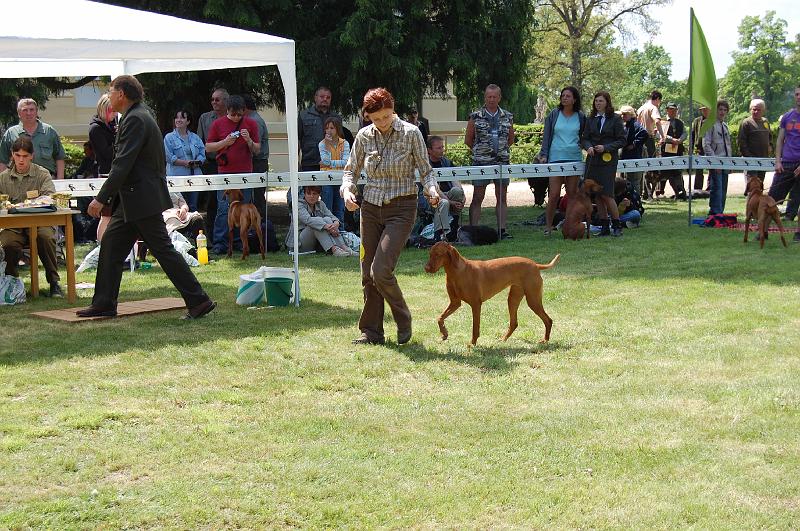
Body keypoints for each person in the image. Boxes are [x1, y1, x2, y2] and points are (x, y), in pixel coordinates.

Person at [78, 75, 215, 319]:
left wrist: (100, 199)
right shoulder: (136, 116)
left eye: (111, 91)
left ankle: (199, 300)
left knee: (163, 250)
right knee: (110, 246)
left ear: (121, 94)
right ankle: (104, 303)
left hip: (141, 200)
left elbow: (122, 164)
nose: (109, 96)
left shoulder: (136, 120)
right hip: (133, 201)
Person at [341, 87, 439, 345]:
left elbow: (426, 171)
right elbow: (350, 172)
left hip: (402, 208)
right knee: (367, 274)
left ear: (393, 109)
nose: (382, 123)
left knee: (381, 270)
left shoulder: (411, 133)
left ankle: (402, 316)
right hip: (371, 209)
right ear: (367, 117)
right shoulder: (363, 136)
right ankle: (371, 333)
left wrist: (431, 189)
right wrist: (347, 192)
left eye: (386, 116)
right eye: (376, 119)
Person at [0, 136, 63, 297]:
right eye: (18, 155)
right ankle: (12, 283)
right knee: (7, 243)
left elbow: (50, 197)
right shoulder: (3, 177)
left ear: (32, 156)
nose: (21, 160)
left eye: (25, 156)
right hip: (14, 226)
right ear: (12, 155)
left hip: (40, 223)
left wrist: (31, 203)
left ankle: (54, 282)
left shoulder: (42, 174)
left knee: (46, 237)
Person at [205, 95, 260, 255]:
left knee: (243, 208)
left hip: (245, 174)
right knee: (223, 209)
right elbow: (208, 147)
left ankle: (238, 241)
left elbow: (257, 149)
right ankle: (220, 243)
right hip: (225, 174)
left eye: (239, 115)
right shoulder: (218, 124)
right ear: (227, 110)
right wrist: (224, 143)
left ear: (244, 111)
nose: (236, 118)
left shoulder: (251, 124)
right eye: (233, 114)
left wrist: (249, 140)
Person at [465, 84, 515, 239]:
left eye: (494, 97)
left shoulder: (508, 116)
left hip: (501, 162)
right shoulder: (475, 116)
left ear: (499, 98)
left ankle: (502, 230)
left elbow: (511, 139)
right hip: (481, 163)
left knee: (502, 196)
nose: (491, 99)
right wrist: (482, 151)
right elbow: (468, 140)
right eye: (489, 97)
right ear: (485, 97)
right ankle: (473, 230)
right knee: (478, 197)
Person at [537, 86, 586, 236]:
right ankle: (548, 227)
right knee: (554, 194)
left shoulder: (581, 116)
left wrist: (585, 145)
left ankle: (569, 225)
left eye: (568, 96)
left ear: (574, 99)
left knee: (572, 193)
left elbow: (585, 135)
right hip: (555, 157)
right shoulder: (554, 114)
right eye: (563, 96)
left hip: (574, 157)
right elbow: (547, 136)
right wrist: (544, 154)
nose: (564, 98)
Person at [581, 91, 626, 236]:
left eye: (600, 101)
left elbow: (622, 140)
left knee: (607, 194)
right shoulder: (591, 119)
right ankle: (604, 226)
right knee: (597, 194)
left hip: (608, 161)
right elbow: (584, 137)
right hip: (593, 161)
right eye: (596, 101)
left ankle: (617, 225)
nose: (598, 103)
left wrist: (605, 147)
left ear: (607, 102)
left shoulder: (616, 119)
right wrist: (588, 146)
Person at [299, 87, 343, 224]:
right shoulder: (303, 115)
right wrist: (296, 164)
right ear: (315, 97)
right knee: (309, 199)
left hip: (331, 166)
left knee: (332, 199)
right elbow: (297, 140)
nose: (325, 99)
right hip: (309, 163)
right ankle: (315, 230)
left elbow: (341, 142)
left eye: (328, 97)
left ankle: (337, 231)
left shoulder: (336, 118)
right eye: (322, 96)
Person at [0, 98, 65, 179]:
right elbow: (3, 161)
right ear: (19, 113)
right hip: (18, 182)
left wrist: (60, 181)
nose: (29, 113)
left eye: (31, 109)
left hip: (46, 181)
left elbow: (59, 158)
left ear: (36, 112)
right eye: (25, 110)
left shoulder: (49, 131)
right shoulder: (11, 133)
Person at [196, 88, 229, 244]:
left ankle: (230, 238)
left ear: (226, 101)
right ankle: (210, 238)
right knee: (212, 203)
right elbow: (200, 142)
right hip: (210, 164)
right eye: (212, 99)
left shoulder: (232, 117)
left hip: (230, 165)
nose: (214, 102)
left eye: (217, 99)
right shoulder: (205, 118)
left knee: (230, 201)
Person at [285, 185, 355, 256]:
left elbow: (331, 216)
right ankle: (334, 249)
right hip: (299, 244)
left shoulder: (320, 204)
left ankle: (344, 247)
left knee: (327, 219)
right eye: (308, 193)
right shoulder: (299, 205)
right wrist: (326, 226)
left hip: (315, 242)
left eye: (314, 194)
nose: (311, 196)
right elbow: (308, 220)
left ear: (319, 194)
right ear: (305, 194)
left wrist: (335, 224)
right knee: (315, 223)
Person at [419, 135, 465, 241]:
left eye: (443, 147)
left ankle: (454, 227)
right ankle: (439, 236)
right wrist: (450, 201)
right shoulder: (424, 165)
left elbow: (455, 180)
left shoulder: (447, 162)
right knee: (443, 203)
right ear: (429, 150)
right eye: (438, 148)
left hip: (446, 194)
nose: (442, 150)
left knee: (457, 191)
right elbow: (433, 189)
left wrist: (462, 195)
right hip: (429, 196)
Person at [769, 85, 800, 239]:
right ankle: (763, 232)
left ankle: (798, 235)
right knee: (771, 199)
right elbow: (780, 141)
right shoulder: (787, 117)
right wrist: (777, 161)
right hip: (786, 164)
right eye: (797, 94)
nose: (799, 97)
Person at [89, 93, 119, 242]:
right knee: (106, 214)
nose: (114, 115)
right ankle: (101, 246)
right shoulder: (95, 129)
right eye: (112, 111)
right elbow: (107, 153)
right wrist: (119, 140)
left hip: (117, 172)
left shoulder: (113, 125)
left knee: (117, 214)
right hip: (105, 174)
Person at [163, 109, 205, 211]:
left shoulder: (195, 137)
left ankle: (194, 227)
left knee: (193, 207)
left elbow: (202, 153)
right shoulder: (169, 138)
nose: (178, 120)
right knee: (178, 207)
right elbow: (168, 157)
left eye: (182, 117)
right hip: (176, 178)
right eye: (176, 117)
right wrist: (184, 163)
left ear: (188, 121)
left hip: (194, 178)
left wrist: (197, 162)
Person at [702, 100, 732, 215]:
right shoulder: (709, 124)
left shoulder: (725, 126)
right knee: (717, 189)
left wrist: (730, 163)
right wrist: (715, 162)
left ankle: (721, 212)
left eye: (725, 110)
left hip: (726, 163)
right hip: (716, 162)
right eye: (720, 109)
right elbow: (706, 145)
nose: (722, 112)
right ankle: (715, 212)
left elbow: (728, 146)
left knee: (723, 189)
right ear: (715, 110)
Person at [318, 116, 349, 223]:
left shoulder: (345, 143)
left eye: (332, 128)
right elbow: (325, 161)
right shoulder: (322, 144)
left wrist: (330, 163)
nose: (329, 131)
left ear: (337, 129)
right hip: (326, 179)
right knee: (327, 208)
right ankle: (328, 232)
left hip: (341, 179)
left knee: (339, 208)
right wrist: (327, 145)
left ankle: (340, 232)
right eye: (327, 128)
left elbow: (346, 162)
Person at [243, 95, 269, 221]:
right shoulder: (252, 119)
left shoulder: (254, 121)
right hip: (256, 162)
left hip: (258, 162)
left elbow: (255, 145)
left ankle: (261, 224)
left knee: (257, 196)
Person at [738, 98, 772, 189]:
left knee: (760, 186)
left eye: (758, 109)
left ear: (763, 111)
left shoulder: (766, 122)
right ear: (750, 109)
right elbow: (742, 142)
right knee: (752, 188)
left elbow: (770, 137)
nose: (756, 111)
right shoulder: (746, 123)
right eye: (754, 109)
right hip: (751, 162)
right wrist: (749, 158)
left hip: (763, 160)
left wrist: (770, 147)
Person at [657, 102, 688, 200]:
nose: (673, 111)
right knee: (663, 171)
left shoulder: (680, 122)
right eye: (671, 109)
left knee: (677, 172)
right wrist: (671, 139)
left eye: (675, 110)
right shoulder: (662, 122)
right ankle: (660, 191)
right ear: (667, 110)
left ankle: (680, 191)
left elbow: (684, 133)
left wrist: (679, 140)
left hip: (678, 150)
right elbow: (659, 134)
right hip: (665, 151)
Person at [619, 104, 648, 198]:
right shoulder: (625, 125)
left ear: (631, 114)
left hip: (635, 156)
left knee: (635, 181)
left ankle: (636, 201)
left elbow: (645, 134)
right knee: (626, 180)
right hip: (626, 157)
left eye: (625, 114)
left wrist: (634, 144)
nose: (623, 116)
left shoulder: (635, 125)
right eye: (622, 114)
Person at [636, 90, 664, 158]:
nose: (659, 103)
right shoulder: (653, 108)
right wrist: (663, 136)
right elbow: (657, 121)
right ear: (657, 99)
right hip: (648, 138)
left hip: (639, 138)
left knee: (641, 160)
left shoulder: (641, 108)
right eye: (659, 101)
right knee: (651, 162)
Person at [691, 105, 710, 194]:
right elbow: (692, 135)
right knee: (699, 169)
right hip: (699, 148)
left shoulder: (713, 120)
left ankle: (710, 188)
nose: (705, 111)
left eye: (706, 109)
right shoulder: (697, 121)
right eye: (703, 110)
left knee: (711, 168)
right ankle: (697, 189)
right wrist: (691, 149)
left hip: (711, 147)